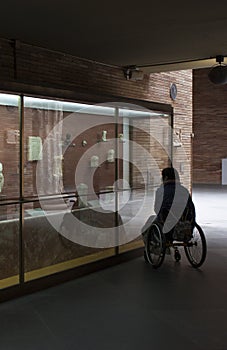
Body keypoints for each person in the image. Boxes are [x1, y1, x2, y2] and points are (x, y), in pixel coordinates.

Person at [142, 167, 195, 242]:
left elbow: (157, 209)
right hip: (186, 226)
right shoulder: (184, 191)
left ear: (165, 178)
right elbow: (192, 209)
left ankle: (155, 247)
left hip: (167, 227)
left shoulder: (161, 190)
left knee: (149, 224)